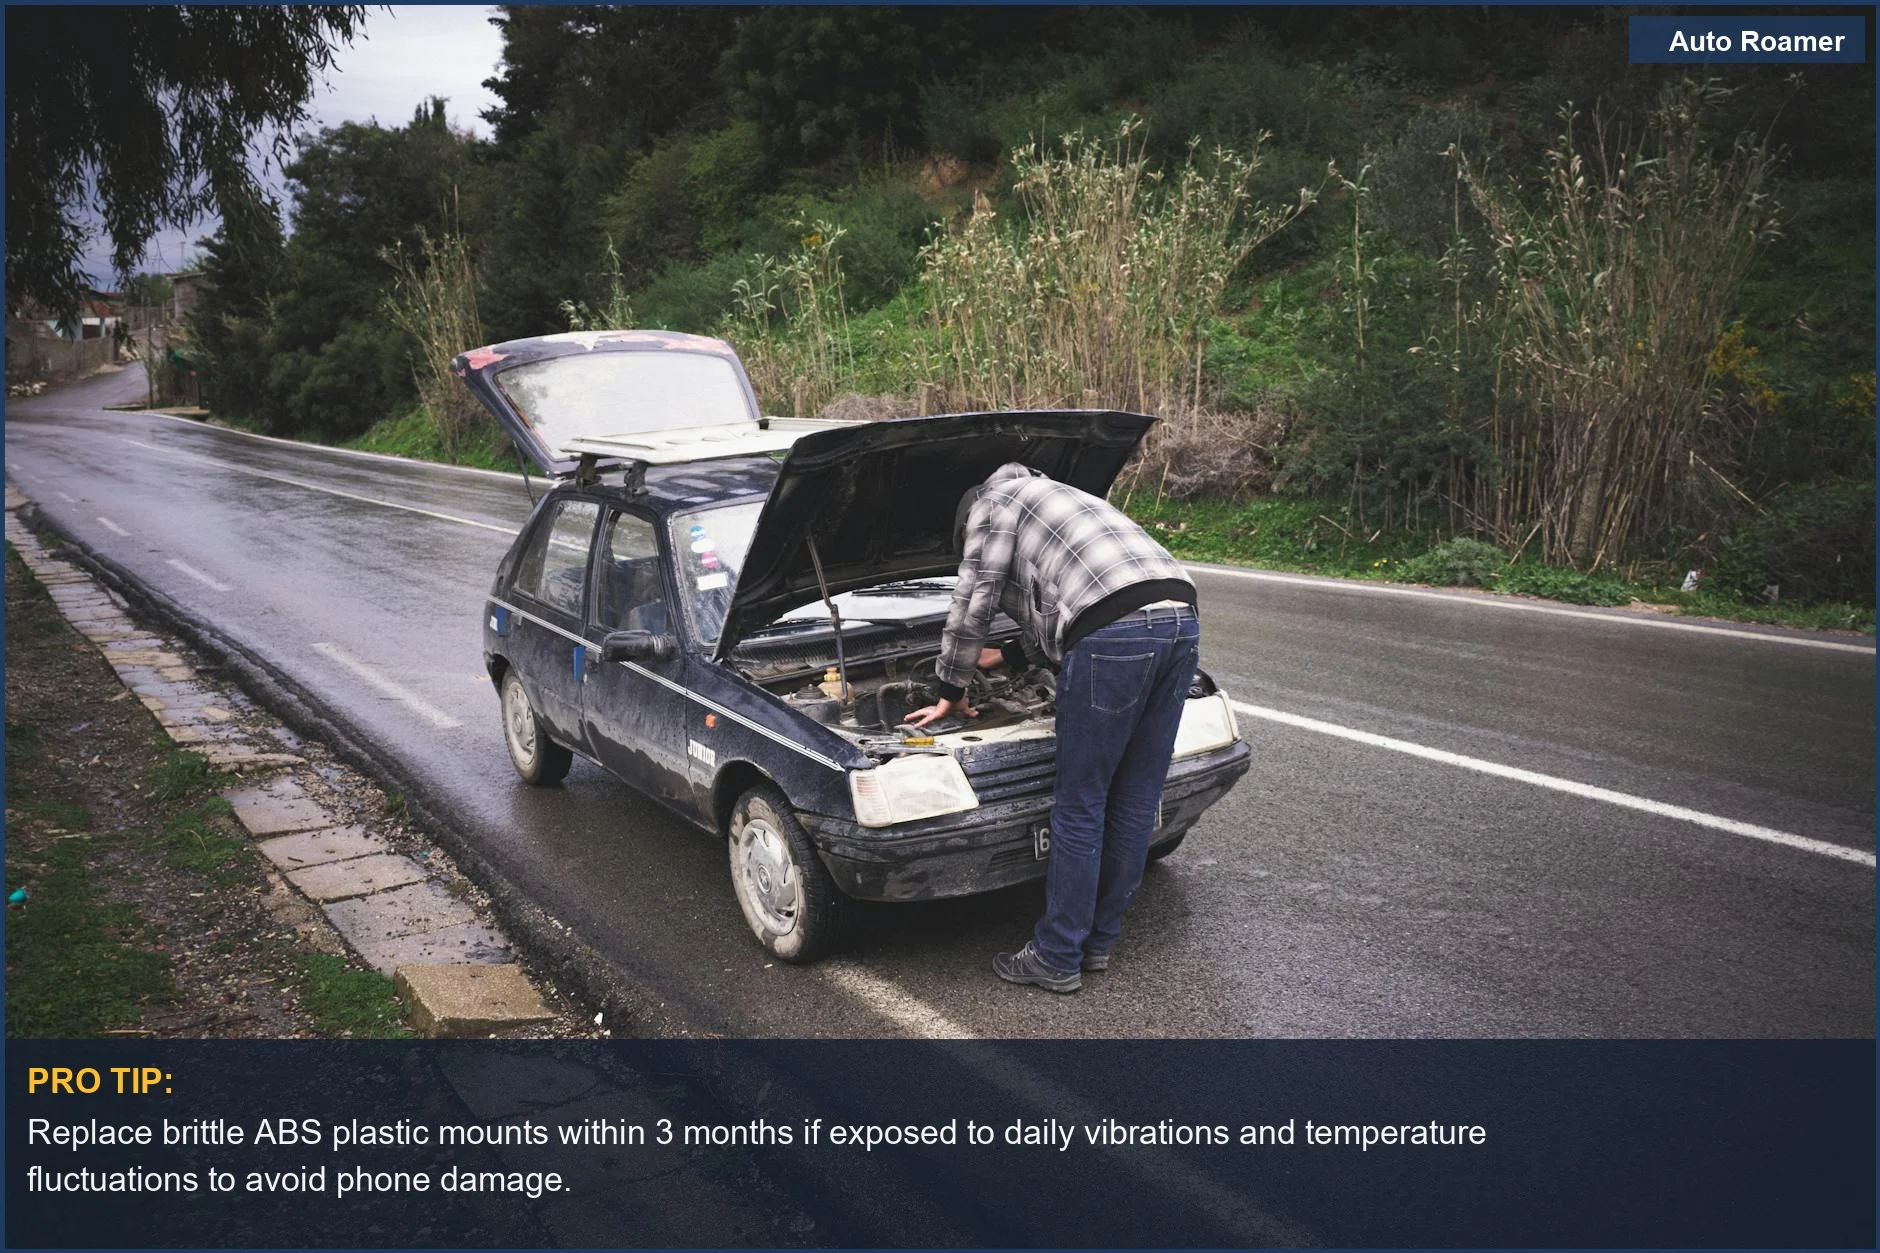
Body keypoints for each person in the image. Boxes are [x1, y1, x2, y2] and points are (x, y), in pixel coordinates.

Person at [907, 463, 1199, 992]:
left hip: (1115, 633)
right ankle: (1098, 944)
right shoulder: (1061, 493)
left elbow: (974, 602)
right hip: (1180, 615)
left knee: (1080, 803)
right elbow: (1070, 594)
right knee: (1134, 797)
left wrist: (951, 688)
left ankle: (1056, 955)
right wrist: (1012, 654)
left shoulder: (992, 504)